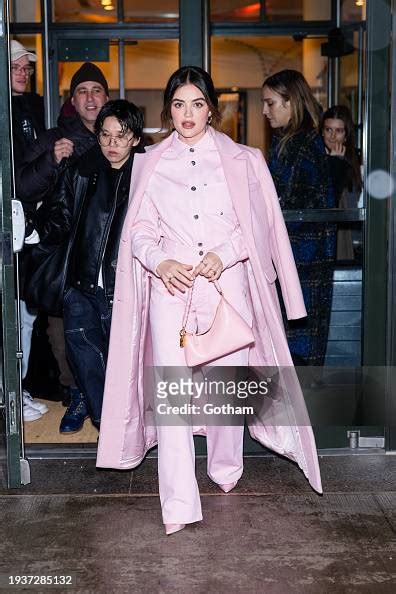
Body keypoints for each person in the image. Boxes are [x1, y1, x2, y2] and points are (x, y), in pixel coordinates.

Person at [97, 66, 322, 536]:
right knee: (174, 396)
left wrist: (226, 253)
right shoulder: (151, 162)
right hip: (171, 293)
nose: (187, 114)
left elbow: (259, 228)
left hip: (228, 289)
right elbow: (138, 230)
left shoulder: (244, 160)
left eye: (196, 104)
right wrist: (159, 261)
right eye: (178, 105)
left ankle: (224, 467)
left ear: (211, 108)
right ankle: (178, 502)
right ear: (168, 109)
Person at [16, 62, 109, 427]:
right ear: (73, 100)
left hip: (107, 255)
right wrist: (52, 160)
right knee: (62, 333)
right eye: (83, 91)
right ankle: (77, 395)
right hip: (63, 256)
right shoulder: (52, 138)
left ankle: (104, 397)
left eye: (96, 90)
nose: (90, 97)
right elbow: (22, 186)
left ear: (107, 97)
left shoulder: (121, 137)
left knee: (107, 329)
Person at [44, 100, 144, 432]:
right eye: (105, 135)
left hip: (125, 288)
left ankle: (127, 430)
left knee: (124, 365)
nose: (112, 144)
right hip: (82, 286)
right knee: (87, 362)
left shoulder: (148, 177)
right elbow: (60, 221)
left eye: (121, 136)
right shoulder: (82, 170)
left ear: (135, 139)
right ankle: (107, 427)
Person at [262, 69, 336, 367]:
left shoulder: (298, 144)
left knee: (293, 357)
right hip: (302, 262)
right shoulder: (300, 141)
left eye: (270, 103)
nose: (265, 111)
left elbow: (288, 203)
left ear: (290, 101)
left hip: (298, 264)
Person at [10, 39, 48, 422]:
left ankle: (16, 390)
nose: (23, 73)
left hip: (26, 229)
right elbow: (20, 177)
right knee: (14, 314)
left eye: (26, 68)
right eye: (15, 67)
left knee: (24, 313)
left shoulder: (27, 108)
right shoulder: (9, 112)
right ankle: (11, 394)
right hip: (13, 229)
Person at [320, 105, 363, 260]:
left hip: (354, 237)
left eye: (339, 131)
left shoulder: (357, 161)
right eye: (328, 130)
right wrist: (334, 162)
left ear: (346, 135)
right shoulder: (316, 161)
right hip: (329, 237)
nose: (332, 136)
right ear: (322, 132)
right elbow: (328, 196)